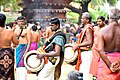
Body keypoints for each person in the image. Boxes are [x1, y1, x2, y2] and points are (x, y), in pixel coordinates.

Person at [97, 8, 120, 80]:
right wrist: (118, 61)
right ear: (119, 17)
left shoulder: (103, 31)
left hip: (105, 61)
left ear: (108, 17)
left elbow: (100, 50)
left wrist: (110, 65)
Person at [72, 12, 94, 80]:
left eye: (83, 18)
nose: (81, 19)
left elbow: (89, 42)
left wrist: (78, 45)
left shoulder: (88, 28)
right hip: (84, 52)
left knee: (86, 71)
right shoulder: (85, 27)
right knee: (83, 71)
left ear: (87, 20)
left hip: (87, 52)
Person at [0, 13, 18, 80]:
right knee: (8, 74)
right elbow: (16, 42)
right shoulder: (10, 32)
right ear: (4, 22)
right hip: (7, 54)